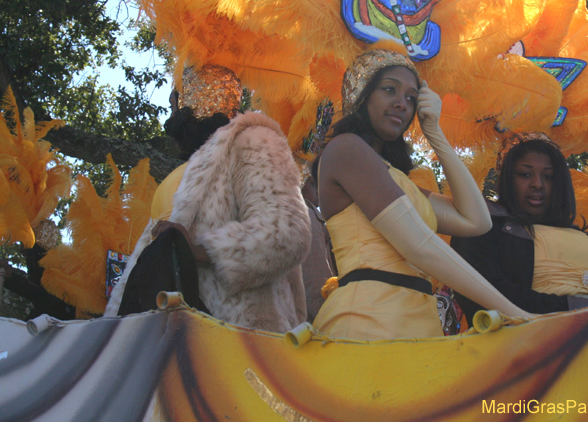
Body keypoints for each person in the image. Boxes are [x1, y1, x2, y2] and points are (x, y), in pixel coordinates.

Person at [311, 46, 535, 340]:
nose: (402, 104)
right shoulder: (346, 149)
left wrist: (435, 134)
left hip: (418, 324)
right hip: (366, 323)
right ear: (362, 94)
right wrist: (513, 313)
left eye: (411, 98)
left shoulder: (395, 178)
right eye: (389, 90)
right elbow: (418, 246)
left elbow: (477, 221)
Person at [105, 65, 311, 333]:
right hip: (173, 335)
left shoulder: (253, 140)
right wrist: (113, 329)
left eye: (174, 101)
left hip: (243, 337)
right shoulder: (181, 174)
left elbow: (285, 231)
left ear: (188, 101)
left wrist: (200, 251)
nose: (171, 108)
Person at [451, 135, 588, 325]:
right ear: (508, 179)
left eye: (548, 177)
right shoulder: (481, 226)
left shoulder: (585, 238)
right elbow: (485, 294)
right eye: (525, 174)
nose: (537, 184)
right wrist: (580, 309)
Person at [300, 173, 336, 322]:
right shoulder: (307, 215)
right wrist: (329, 321)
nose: (319, 193)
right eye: (313, 184)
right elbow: (318, 285)